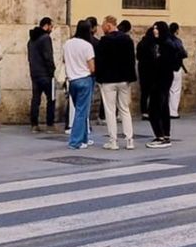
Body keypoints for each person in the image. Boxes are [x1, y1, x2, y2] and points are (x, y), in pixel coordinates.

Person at [93, 17, 137, 149]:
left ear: (108, 25)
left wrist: (99, 78)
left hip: (108, 80)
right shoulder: (127, 39)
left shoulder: (104, 41)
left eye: (103, 25)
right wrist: (130, 77)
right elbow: (131, 60)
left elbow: (100, 61)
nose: (101, 28)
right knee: (125, 109)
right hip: (124, 79)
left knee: (110, 110)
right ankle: (129, 140)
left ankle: (113, 141)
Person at [138, 21, 180, 148]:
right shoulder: (157, 43)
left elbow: (169, 63)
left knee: (154, 109)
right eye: (154, 28)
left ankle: (160, 137)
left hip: (162, 79)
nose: (154, 30)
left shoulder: (166, 45)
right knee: (163, 108)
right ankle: (165, 135)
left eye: (157, 28)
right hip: (158, 79)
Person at [63, 20, 97, 149]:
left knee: (80, 110)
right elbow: (92, 68)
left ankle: (84, 138)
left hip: (72, 80)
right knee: (82, 112)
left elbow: (64, 60)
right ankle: (75, 142)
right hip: (85, 79)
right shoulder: (87, 46)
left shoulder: (67, 43)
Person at [27, 17, 57, 132]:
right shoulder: (45, 38)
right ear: (46, 25)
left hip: (35, 73)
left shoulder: (31, 40)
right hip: (45, 74)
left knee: (36, 99)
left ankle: (34, 124)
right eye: (51, 26)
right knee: (51, 99)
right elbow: (48, 57)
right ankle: (50, 124)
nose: (52, 29)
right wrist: (52, 70)